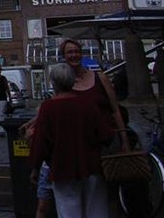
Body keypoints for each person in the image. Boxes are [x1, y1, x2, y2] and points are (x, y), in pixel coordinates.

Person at [30, 63, 112, 218]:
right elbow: (105, 135)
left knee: (68, 210)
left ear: (53, 83)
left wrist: (35, 167)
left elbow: (41, 142)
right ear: (73, 81)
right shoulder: (88, 105)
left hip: (62, 168)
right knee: (96, 210)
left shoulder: (48, 108)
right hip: (91, 165)